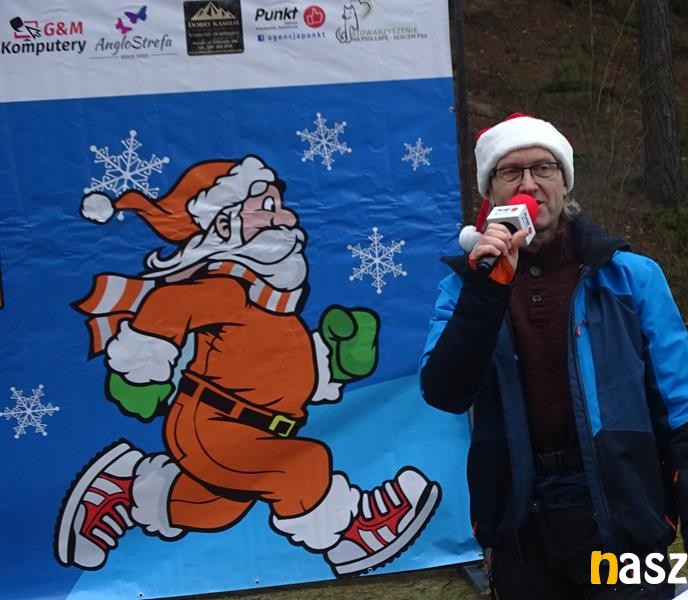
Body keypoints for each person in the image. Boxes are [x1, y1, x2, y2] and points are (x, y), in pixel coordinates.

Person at [55, 155, 440, 577]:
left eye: (281, 206)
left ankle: (124, 490)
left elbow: (278, 360)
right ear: (225, 225)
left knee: (214, 508)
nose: (286, 218)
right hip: (213, 427)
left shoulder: (272, 305)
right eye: (267, 207)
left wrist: (334, 359)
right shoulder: (224, 290)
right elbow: (167, 306)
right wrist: (142, 369)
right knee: (301, 464)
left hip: (256, 427)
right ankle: (352, 532)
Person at [420, 113, 688, 599]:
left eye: (543, 168)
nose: (529, 184)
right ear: (492, 192)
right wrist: (486, 289)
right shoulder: (465, 289)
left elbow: (681, 415)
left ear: (564, 182)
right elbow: (444, 391)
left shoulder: (632, 278)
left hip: (622, 526)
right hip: (520, 530)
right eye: (511, 172)